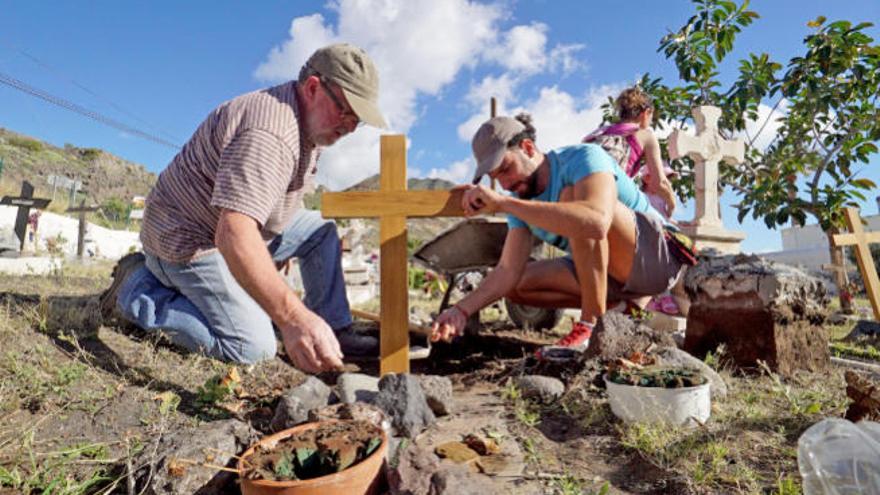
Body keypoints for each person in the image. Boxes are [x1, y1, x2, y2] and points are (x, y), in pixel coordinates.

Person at [99, 43, 387, 373]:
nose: (350, 127)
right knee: (253, 347)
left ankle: (332, 329)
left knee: (319, 231)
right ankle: (135, 291)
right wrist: (293, 318)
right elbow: (233, 233)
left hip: (229, 224)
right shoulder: (271, 135)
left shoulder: (309, 126)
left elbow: (269, 204)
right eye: (346, 112)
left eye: (358, 120)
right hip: (187, 242)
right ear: (312, 88)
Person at [430, 114, 688, 355]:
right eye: (495, 177)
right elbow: (507, 271)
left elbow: (596, 222)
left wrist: (504, 204)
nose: (505, 184)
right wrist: (460, 310)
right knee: (516, 285)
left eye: (506, 169)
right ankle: (623, 310)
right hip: (615, 275)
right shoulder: (518, 199)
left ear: (528, 148)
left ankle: (592, 323)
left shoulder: (583, 157)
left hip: (661, 259)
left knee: (572, 201)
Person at [582, 87, 677, 219]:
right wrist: (672, 203)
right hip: (611, 190)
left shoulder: (603, 131)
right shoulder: (646, 135)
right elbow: (658, 183)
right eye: (651, 118)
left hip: (582, 183)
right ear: (647, 112)